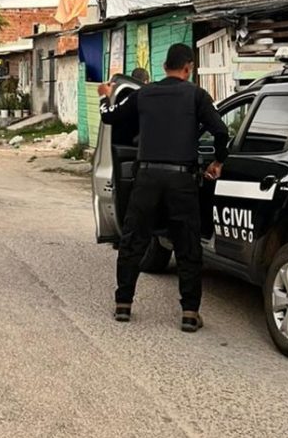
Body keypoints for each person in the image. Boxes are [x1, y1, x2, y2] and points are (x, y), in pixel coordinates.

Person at [98, 43, 229, 333]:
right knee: (187, 246)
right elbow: (221, 131)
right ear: (188, 68)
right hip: (182, 180)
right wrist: (218, 162)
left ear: (164, 67)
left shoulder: (144, 94)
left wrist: (105, 98)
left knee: (133, 241)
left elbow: (110, 117)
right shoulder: (197, 95)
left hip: (146, 178)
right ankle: (190, 313)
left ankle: (123, 305)